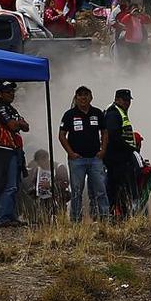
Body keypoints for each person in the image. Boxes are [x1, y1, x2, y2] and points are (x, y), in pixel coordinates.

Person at [59, 89, 108, 222]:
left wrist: (103, 150)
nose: (83, 98)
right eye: (80, 95)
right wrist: (70, 153)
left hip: (95, 159)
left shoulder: (97, 113)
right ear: (76, 98)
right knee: (76, 192)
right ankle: (76, 220)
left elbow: (104, 132)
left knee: (100, 190)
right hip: (77, 161)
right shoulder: (69, 114)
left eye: (86, 95)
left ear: (91, 97)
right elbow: (62, 135)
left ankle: (104, 218)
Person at [0, 80, 30, 227]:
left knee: (16, 186)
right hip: (4, 150)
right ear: (0, 94)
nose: (11, 94)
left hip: (16, 150)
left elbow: (26, 127)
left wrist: (19, 123)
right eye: (8, 92)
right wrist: (19, 123)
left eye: (12, 91)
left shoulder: (12, 109)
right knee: (9, 185)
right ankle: (2, 217)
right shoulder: (0, 109)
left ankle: (11, 216)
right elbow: (13, 125)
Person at [100, 88, 138, 220]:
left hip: (120, 156)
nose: (127, 103)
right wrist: (129, 148)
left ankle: (120, 214)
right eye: (124, 100)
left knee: (119, 187)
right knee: (116, 187)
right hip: (116, 158)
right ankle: (115, 214)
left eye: (128, 100)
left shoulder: (119, 112)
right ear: (117, 100)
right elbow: (113, 136)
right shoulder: (113, 113)